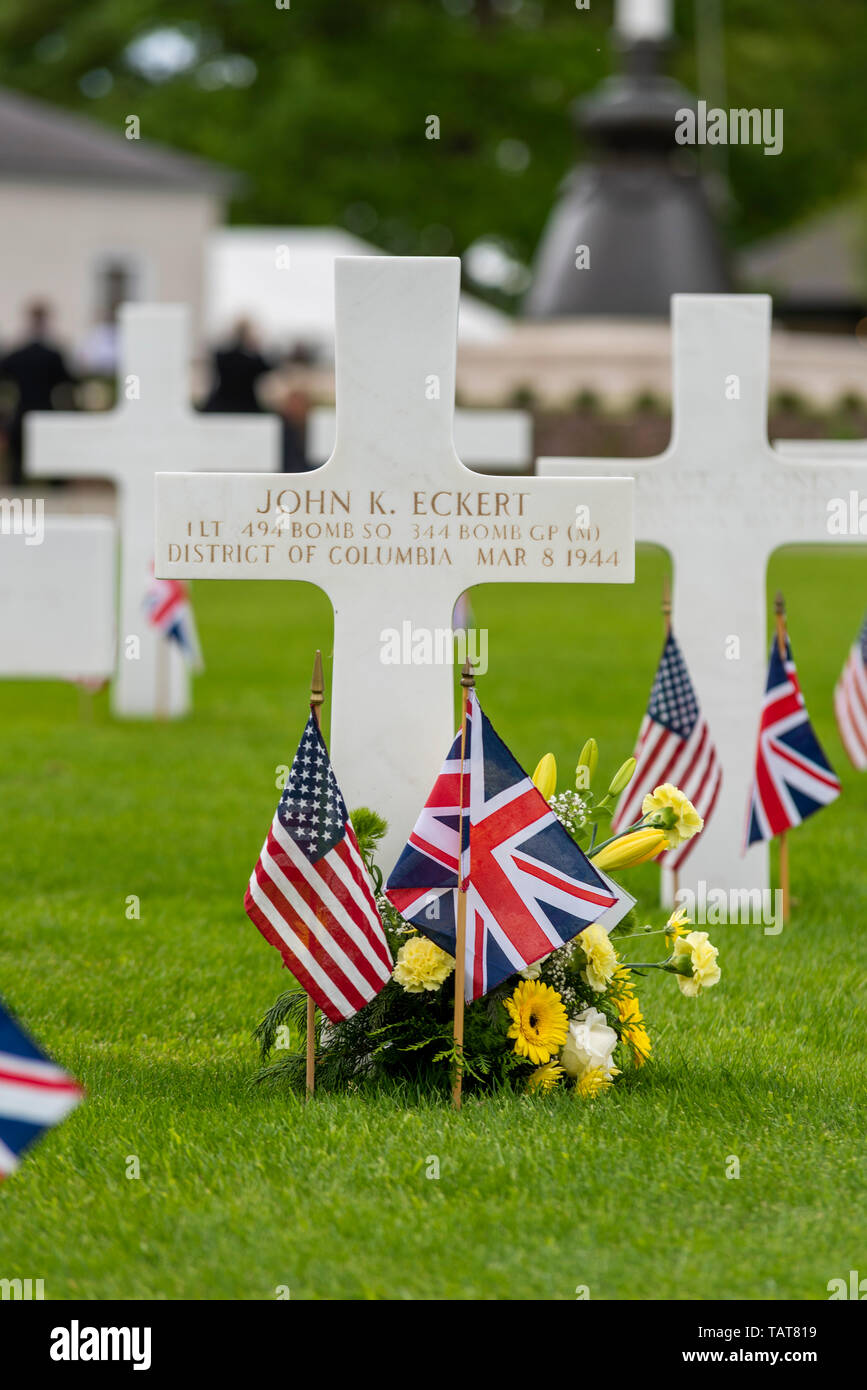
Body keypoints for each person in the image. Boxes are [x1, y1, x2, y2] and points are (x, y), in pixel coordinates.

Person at [1, 302, 76, 486]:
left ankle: (18, 492)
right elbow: (68, 380)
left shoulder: (18, 353)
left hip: (23, 410)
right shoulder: (53, 354)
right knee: (53, 456)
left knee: (18, 460)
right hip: (46, 409)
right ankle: (56, 488)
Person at [201, 317, 272, 413]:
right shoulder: (253, 361)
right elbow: (268, 366)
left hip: (221, 406)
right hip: (246, 408)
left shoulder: (222, 357)